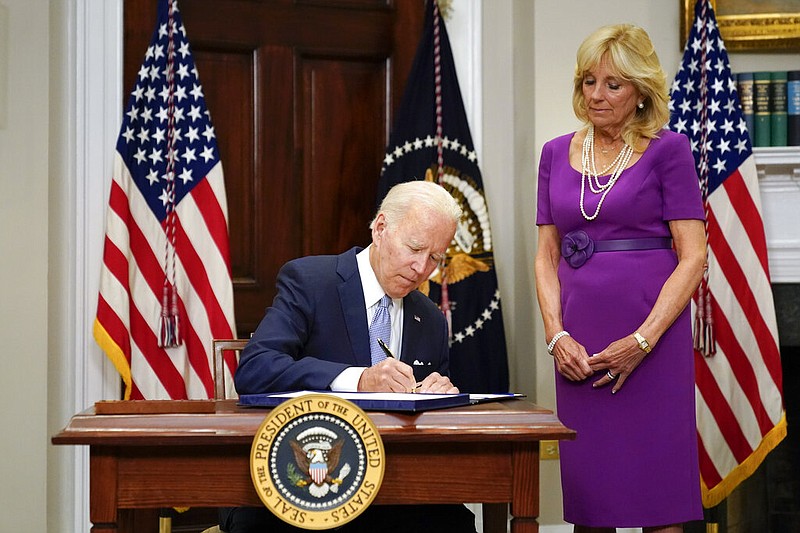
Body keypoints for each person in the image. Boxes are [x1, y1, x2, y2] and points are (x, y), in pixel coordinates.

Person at [222, 180, 476, 533]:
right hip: (300, 477)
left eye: (435, 257)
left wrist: (441, 396)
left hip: (394, 484)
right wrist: (358, 379)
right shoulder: (310, 281)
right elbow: (255, 369)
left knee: (457, 522)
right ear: (381, 228)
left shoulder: (430, 318)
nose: (421, 268)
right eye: (414, 248)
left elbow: (427, 425)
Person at [534, 24, 706, 532]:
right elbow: (545, 256)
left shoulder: (668, 150)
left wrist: (643, 340)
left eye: (613, 84)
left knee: (661, 503)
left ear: (640, 91)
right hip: (579, 342)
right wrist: (555, 335)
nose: (596, 95)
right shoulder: (553, 153)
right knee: (592, 498)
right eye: (589, 82)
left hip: (652, 338)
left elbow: (693, 257)